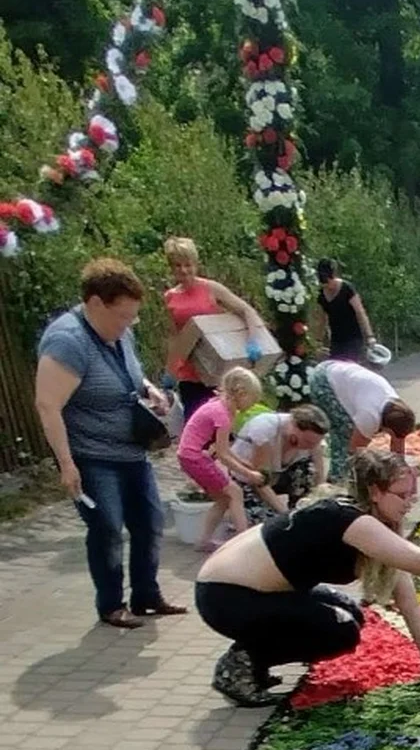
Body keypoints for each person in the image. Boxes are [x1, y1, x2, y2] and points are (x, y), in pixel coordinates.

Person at [196, 449, 420, 705]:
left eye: (412, 495)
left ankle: (254, 657)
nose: (409, 503)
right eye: (402, 495)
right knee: (339, 629)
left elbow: (409, 601)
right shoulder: (353, 521)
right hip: (225, 596)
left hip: (243, 592)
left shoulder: (370, 523)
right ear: (375, 492)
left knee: (348, 614)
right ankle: (242, 663)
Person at [34, 258, 186, 629]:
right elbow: (47, 404)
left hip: (131, 450)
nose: (126, 325)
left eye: (132, 317)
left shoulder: (119, 333)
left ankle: (147, 595)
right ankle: (111, 605)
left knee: (149, 522)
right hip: (92, 455)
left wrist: (151, 391)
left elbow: (131, 375)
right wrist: (67, 464)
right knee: (107, 528)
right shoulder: (67, 341)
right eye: (122, 316)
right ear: (96, 304)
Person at [163, 236, 266, 422]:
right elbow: (174, 336)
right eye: (178, 265)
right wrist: (170, 370)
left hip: (219, 370)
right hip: (189, 374)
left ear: (195, 264)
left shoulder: (210, 288)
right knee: (195, 427)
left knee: (222, 426)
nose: (184, 270)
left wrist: (253, 340)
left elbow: (246, 310)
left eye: (188, 264)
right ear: (171, 267)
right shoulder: (170, 297)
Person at [177, 366, 267, 552]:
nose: (253, 404)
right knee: (235, 492)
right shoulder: (223, 415)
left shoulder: (218, 405)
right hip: (194, 457)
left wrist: (243, 463)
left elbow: (221, 449)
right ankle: (244, 543)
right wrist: (249, 473)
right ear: (241, 393)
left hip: (189, 455)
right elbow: (223, 454)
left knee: (224, 499)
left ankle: (203, 541)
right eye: (253, 399)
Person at [309, 358, 416, 480]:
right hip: (323, 381)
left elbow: (398, 445)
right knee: (345, 436)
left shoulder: (396, 407)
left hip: (336, 370)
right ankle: (337, 480)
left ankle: (347, 480)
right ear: (388, 428)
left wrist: (400, 472)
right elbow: (355, 450)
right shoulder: (369, 416)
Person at [230, 405, 331, 524]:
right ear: (293, 425)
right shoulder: (265, 428)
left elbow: (319, 476)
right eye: (306, 442)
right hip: (249, 478)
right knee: (267, 524)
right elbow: (260, 482)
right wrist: (286, 515)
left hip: (282, 474)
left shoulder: (314, 441)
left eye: (315, 443)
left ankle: (302, 510)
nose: (310, 447)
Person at [316, 258, 376, 362]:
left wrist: (369, 336)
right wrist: (318, 341)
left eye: (328, 282)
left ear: (333, 276)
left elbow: (360, 312)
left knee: (350, 369)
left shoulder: (347, 289)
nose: (327, 286)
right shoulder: (321, 295)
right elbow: (322, 319)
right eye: (324, 283)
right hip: (336, 340)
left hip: (353, 338)